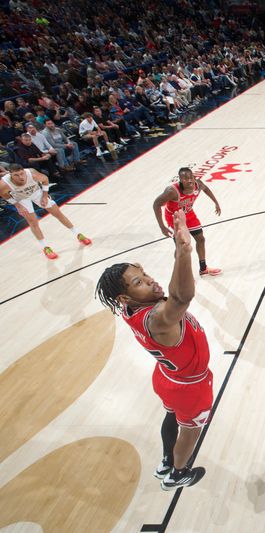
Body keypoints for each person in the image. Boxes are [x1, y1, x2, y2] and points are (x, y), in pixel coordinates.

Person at [95, 210, 210, 491]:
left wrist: (179, 247)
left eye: (143, 274)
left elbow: (172, 286)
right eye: (138, 282)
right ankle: (177, 473)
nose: (148, 280)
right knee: (190, 433)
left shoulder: (129, 308)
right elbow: (182, 295)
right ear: (125, 296)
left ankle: (165, 460)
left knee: (170, 416)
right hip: (189, 386)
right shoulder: (158, 318)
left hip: (166, 378)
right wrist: (184, 251)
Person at [0, 163, 91, 259]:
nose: (20, 177)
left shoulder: (32, 173)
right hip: (21, 199)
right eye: (16, 175)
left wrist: (44, 195)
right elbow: (4, 195)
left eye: (22, 173)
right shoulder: (4, 184)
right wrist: (18, 206)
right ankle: (45, 248)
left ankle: (79, 234)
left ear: (24, 171)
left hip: (36, 193)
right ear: (10, 174)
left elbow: (45, 180)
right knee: (33, 222)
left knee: (58, 214)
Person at [153, 167, 222, 276]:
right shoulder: (172, 191)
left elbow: (206, 189)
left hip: (188, 214)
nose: (189, 180)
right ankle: (184, 275)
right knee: (182, 248)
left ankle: (203, 268)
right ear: (180, 180)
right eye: (185, 178)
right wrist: (162, 227)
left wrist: (216, 203)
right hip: (174, 217)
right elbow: (156, 204)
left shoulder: (198, 184)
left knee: (201, 239)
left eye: (191, 177)